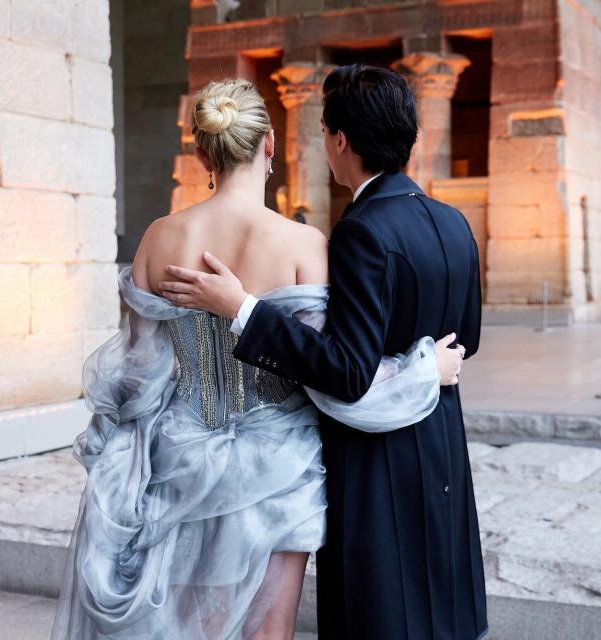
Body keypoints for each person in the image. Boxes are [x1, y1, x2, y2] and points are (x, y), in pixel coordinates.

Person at [50, 78, 464, 640]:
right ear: (270, 144)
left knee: (186, 627)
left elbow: (137, 378)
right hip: (279, 466)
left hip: (177, 456)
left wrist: (130, 460)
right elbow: (334, 374)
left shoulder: (157, 238)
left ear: (202, 153)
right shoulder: (304, 244)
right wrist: (422, 372)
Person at [160, 65, 489, 640]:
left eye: (324, 136)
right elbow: (468, 340)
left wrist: (242, 309)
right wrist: (427, 367)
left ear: (340, 141)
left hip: (377, 456)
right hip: (441, 444)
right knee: (441, 601)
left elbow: (346, 370)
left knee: (382, 613)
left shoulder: (362, 230)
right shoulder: (454, 223)